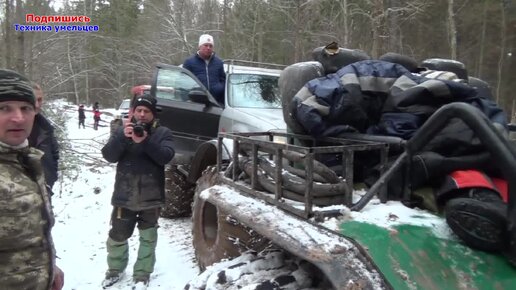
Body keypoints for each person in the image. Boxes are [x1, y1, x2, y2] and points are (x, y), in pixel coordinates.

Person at [101, 94, 175, 289]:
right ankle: (115, 270)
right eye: (138, 110)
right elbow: (108, 156)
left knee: (148, 236)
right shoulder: (121, 131)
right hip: (124, 195)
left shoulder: (163, 133)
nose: (142, 115)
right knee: (117, 235)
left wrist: (145, 140)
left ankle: (142, 273)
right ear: (133, 111)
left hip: (151, 196)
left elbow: (165, 157)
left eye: (146, 111)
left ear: (153, 114)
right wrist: (122, 138)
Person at [0, 69, 64, 290]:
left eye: (25, 108)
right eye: (4, 108)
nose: (18, 117)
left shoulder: (26, 160)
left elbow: (32, 233)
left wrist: (48, 268)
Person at [28, 83, 60, 197]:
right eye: (33, 99)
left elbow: (55, 154)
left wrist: (51, 178)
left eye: (40, 99)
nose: (37, 104)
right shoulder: (12, 128)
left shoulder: (45, 127)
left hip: (45, 193)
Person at [183, 33, 226, 104]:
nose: (208, 48)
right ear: (200, 46)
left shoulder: (219, 62)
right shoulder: (189, 62)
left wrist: (220, 88)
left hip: (216, 102)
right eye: (205, 45)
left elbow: (223, 80)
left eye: (210, 46)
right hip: (195, 103)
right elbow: (183, 83)